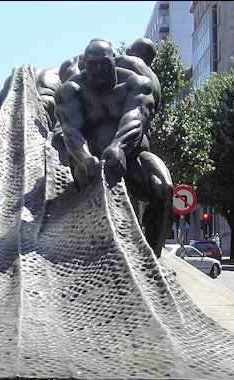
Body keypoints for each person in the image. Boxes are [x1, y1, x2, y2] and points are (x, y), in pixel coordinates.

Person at [54, 38, 174, 256]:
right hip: (88, 161)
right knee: (93, 191)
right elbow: (71, 130)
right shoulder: (71, 90)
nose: (99, 70)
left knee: (163, 188)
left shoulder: (136, 84)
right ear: (85, 64)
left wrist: (119, 146)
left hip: (132, 155)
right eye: (92, 64)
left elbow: (135, 118)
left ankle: (152, 257)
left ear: (114, 60)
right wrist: (83, 155)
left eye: (104, 63)